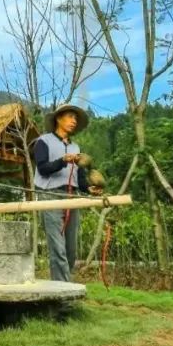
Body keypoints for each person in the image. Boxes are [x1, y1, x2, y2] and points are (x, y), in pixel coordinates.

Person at [32, 103, 104, 282]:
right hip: (50, 195)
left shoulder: (76, 148)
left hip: (72, 196)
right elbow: (42, 169)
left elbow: (79, 180)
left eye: (76, 119)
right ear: (58, 118)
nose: (74, 121)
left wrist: (88, 188)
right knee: (58, 248)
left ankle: (62, 286)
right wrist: (63, 160)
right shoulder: (44, 141)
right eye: (70, 117)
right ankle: (62, 296)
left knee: (71, 250)